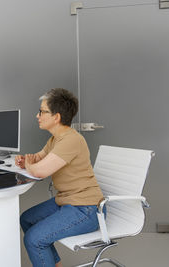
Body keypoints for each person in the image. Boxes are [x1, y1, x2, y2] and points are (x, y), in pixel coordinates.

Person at [15, 88, 104, 267]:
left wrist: (31, 166)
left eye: (42, 111)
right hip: (67, 201)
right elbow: (37, 159)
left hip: (85, 209)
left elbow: (39, 171)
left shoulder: (71, 140)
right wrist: (27, 161)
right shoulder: (55, 139)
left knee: (34, 239)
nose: (37, 115)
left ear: (56, 117)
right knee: (26, 219)